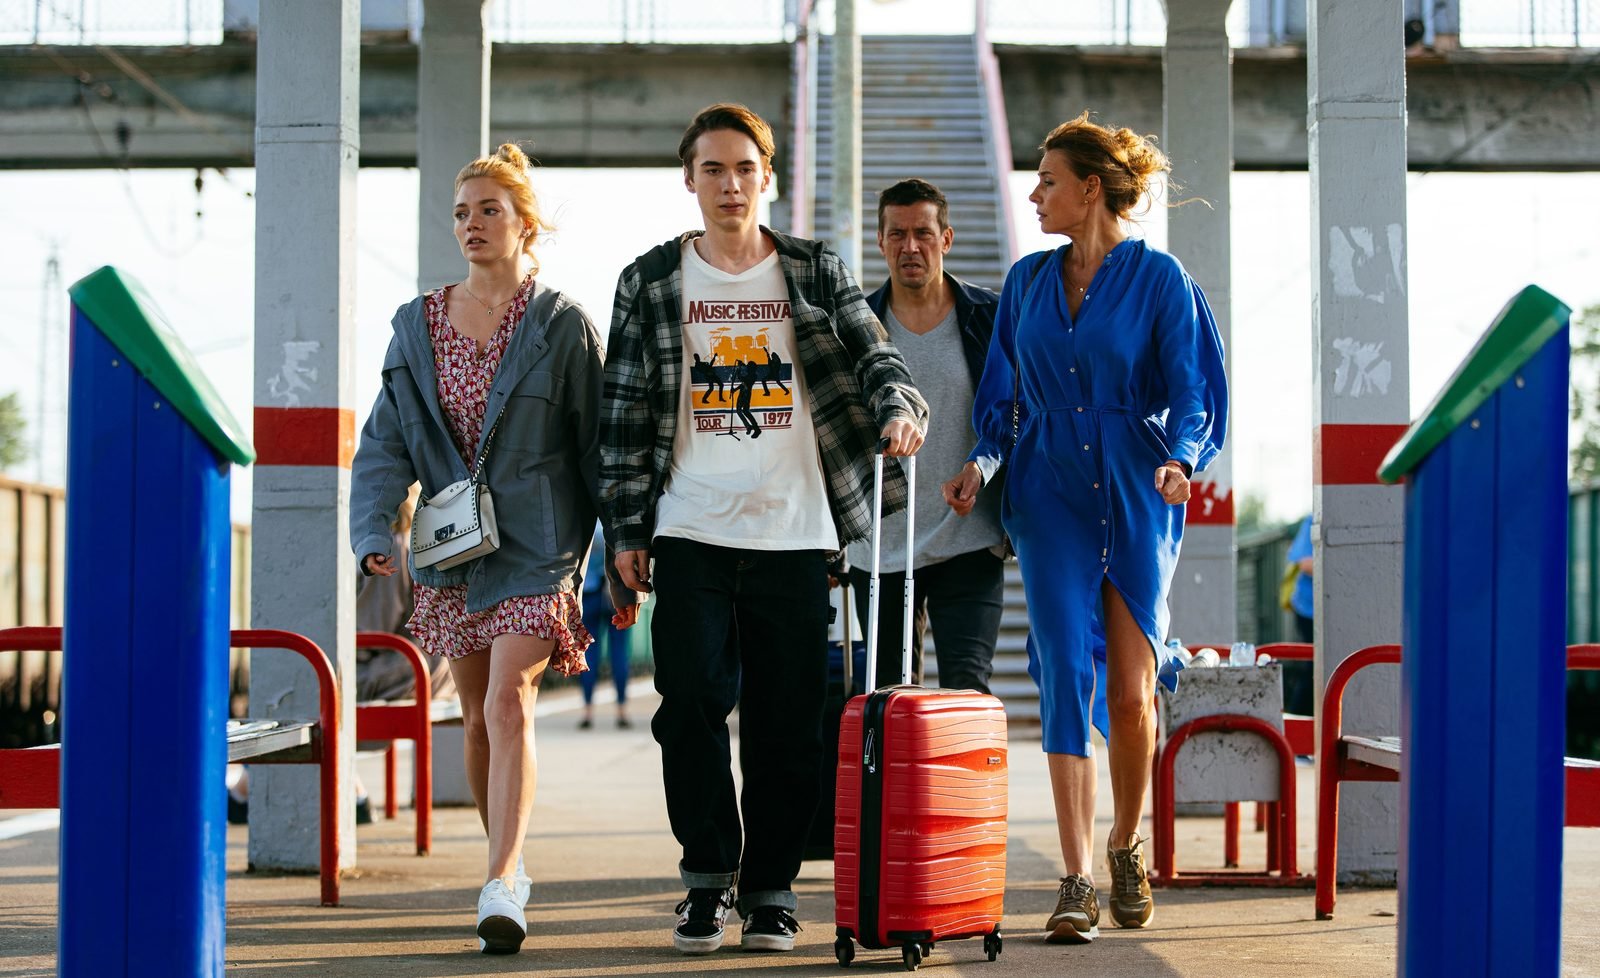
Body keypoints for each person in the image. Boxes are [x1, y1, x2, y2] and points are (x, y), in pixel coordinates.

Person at [600, 103, 927, 956]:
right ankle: (708, 878)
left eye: (745, 168)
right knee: (690, 705)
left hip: (794, 532)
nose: (730, 184)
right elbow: (623, 412)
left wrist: (898, 406)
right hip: (691, 527)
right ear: (690, 180)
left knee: (787, 723)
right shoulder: (651, 280)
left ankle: (773, 890)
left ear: (767, 177)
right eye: (713, 169)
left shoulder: (813, 269)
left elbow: (876, 353)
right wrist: (626, 530)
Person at [945, 111, 1227, 945]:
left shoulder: (1161, 279)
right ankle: (1074, 880)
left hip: (1138, 488)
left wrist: (1182, 457)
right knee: (1064, 674)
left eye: (1048, 181)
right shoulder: (1027, 283)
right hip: (1048, 494)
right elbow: (1002, 401)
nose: (1034, 195)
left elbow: (1194, 391)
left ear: (1091, 189)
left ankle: (1125, 845)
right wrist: (982, 465)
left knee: (1133, 693)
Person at [350, 143, 636, 955]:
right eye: (461, 212)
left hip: (539, 545)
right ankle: (502, 861)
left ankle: (502, 879)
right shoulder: (416, 326)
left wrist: (623, 549)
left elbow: (599, 451)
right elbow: (384, 443)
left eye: (489, 210)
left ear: (524, 224)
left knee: (510, 700)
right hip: (451, 549)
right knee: (476, 718)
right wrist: (373, 528)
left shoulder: (561, 325)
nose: (471, 224)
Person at [846, 178, 1006, 693]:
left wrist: (986, 471)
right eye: (897, 234)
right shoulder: (857, 327)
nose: (910, 246)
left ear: (947, 239)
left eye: (923, 233)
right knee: (890, 699)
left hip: (970, 539)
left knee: (968, 690)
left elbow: (1013, 413)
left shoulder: (989, 316)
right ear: (880, 241)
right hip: (881, 549)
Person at [579, 522, 632, 729]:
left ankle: (588, 710)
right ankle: (621, 710)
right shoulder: (615, 519)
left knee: (588, 651)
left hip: (590, 594)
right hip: (616, 594)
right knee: (619, 651)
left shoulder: (588, 523)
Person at [1282, 513, 1316, 716]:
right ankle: (1298, 719)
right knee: (1314, 667)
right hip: (1308, 609)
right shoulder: (1312, 520)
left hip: (1319, 607)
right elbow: (1305, 563)